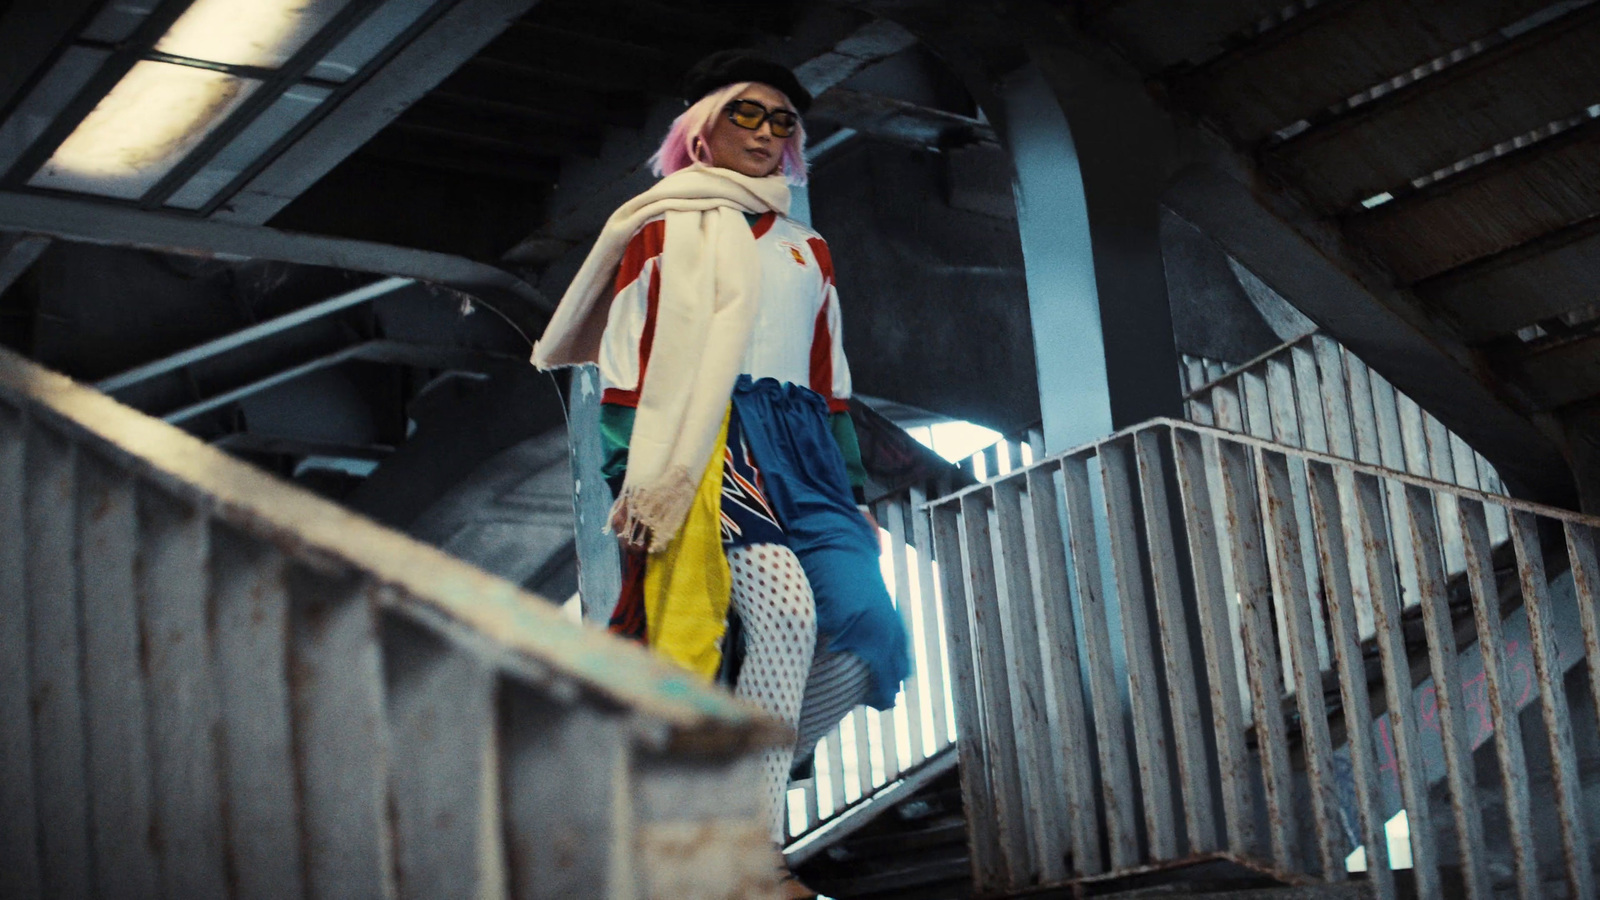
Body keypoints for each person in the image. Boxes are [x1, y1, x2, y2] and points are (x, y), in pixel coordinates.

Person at [530, 50, 910, 891]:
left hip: (804, 445)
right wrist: (637, 472)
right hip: (712, 438)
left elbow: (830, 377)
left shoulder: (811, 247)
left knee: (871, 634)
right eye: (748, 114)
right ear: (701, 129)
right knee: (780, 606)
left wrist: (850, 491)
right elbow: (626, 357)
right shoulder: (660, 226)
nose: (769, 133)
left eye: (784, 122)